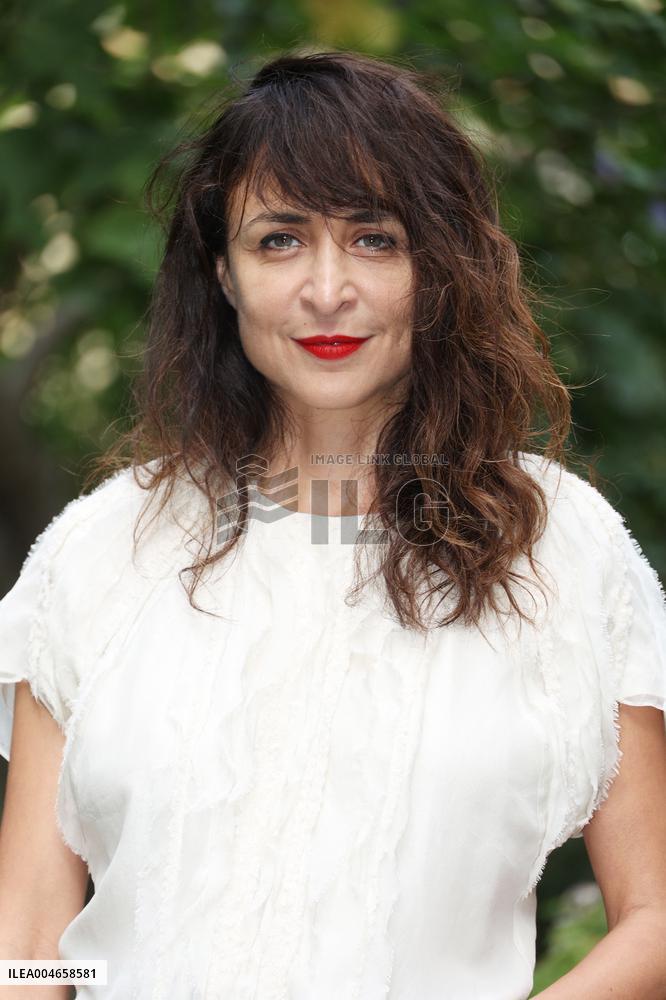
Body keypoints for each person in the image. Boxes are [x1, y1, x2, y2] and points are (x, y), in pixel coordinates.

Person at [0, 48, 665, 1000]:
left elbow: (656, 917)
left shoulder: (562, 549)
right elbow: (25, 937)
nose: (326, 290)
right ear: (222, 274)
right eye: (278, 240)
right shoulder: (97, 555)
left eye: (374, 238)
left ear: (440, 268)